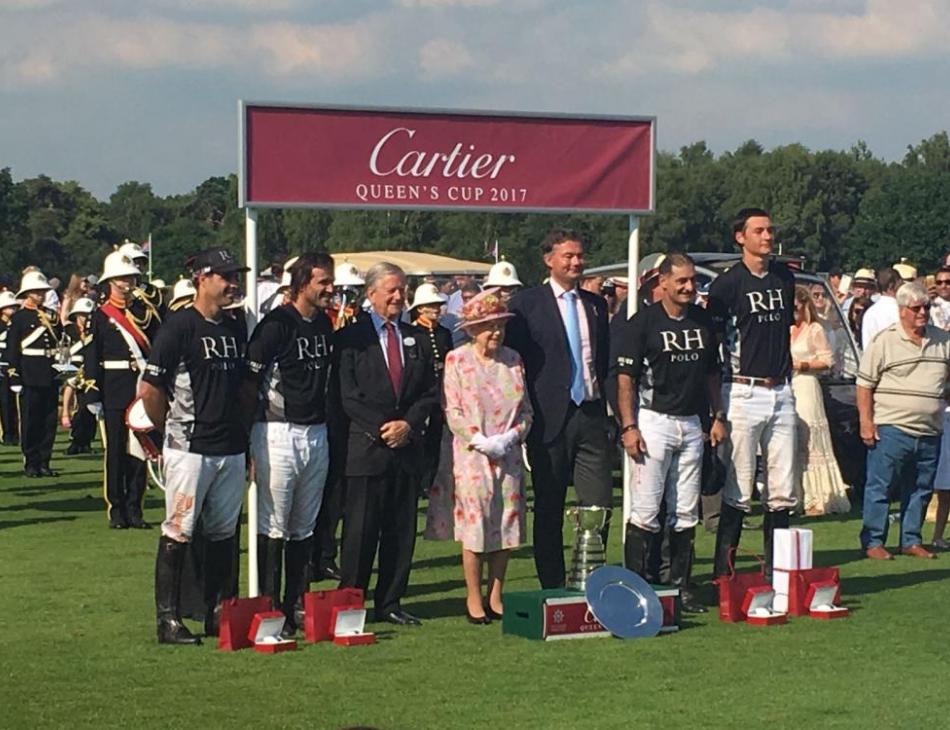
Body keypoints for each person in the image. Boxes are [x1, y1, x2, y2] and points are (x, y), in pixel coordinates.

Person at [141, 248, 250, 645]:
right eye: (225, 276)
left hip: (230, 445)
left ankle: (218, 611)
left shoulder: (236, 326)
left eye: (235, 276)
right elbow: (150, 388)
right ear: (201, 278)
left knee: (223, 533)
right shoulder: (179, 326)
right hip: (189, 446)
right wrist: (166, 428)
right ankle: (167, 619)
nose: (233, 283)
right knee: (179, 530)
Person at [612, 253, 726, 613]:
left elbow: (712, 374)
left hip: (692, 422)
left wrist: (717, 416)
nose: (690, 287)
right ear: (662, 283)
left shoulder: (703, 320)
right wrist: (628, 426)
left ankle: (681, 586)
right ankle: (638, 587)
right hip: (653, 421)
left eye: (692, 281)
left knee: (686, 510)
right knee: (645, 509)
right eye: (682, 281)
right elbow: (625, 380)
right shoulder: (641, 323)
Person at [505, 228, 613, 589]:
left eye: (580, 256)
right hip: (549, 417)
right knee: (549, 507)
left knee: (598, 505)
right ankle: (551, 584)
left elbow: (605, 360)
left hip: (591, 414)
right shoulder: (526, 305)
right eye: (568, 256)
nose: (576, 262)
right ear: (549, 260)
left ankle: (591, 578)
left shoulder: (595, 305)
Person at [335, 262, 438, 626]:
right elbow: (348, 395)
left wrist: (407, 425)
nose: (399, 296)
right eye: (392, 289)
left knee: (400, 531)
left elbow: (429, 391)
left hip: (406, 451)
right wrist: (384, 428)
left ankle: (391, 602)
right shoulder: (350, 337)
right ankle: (351, 604)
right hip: (367, 449)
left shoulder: (419, 338)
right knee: (360, 533)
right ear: (371, 293)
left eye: (403, 289)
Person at [243, 253, 335, 636]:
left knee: (304, 525)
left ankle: (298, 601)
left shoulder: (325, 326)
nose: (330, 289)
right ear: (300, 284)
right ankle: (270, 605)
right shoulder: (276, 325)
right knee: (274, 522)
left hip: (316, 431)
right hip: (277, 431)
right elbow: (249, 382)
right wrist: (247, 440)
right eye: (322, 282)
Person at [430, 289, 533, 623]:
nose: (496, 332)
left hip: (508, 453)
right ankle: (473, 597)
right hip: (472, 455)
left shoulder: (514, 359)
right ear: (472, 329)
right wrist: (478, 440)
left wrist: (510, 437)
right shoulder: (457, 360)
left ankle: (496, 594)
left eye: (500, 325)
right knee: (476, 525)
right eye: (488, 326)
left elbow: (526, 410)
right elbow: (452, 409)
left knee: (506, 523)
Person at [707, 208, 798, 580]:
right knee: (740, 486)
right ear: (740, 237)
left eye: (770, 230)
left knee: (783, 487)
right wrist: (715, 408)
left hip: (781, 389)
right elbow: (712, 341)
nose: (768, 236)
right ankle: (723, 575)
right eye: (759, 230)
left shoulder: (782, 278)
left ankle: (778, 572)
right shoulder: (727, 285)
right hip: (743, 388)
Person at [857, 281, 950, 560]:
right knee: (881, 486)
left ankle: (911, 539)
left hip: (930, 428)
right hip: (891, 426)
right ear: (902, 310)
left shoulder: (943, 341)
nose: (922, 312)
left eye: (926, 307)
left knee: (920, 489)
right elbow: (864, 384)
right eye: (916, 308)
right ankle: (874, 541)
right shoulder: (884, 341)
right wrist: (866, 421)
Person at [84, 251, 160, 529]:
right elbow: (92, 357)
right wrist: (92, 393)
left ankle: (135, 508)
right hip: (113, 388)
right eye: (123, 279)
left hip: (140, 388)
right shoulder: (101, 316)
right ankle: (117, 509)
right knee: (115, 451)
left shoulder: (145, 312)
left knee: (140, 451)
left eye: (130, 278)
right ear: (111, 282)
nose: (128, 283)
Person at [790, 285, 851, 516]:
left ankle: (818, 496)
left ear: (803, 306)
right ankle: (796, 495)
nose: (792, 313)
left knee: (811, 440)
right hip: (788, 387)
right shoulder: (787, 329)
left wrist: (801, 365)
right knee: (792, 441)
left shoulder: (814, 328)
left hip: (806, 385)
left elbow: (827, 361)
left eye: (795, 308)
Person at [6, 270, 61, 477]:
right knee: (31, 420)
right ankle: (31, 462)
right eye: (36, 292)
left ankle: (45, 461)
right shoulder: (19, 318)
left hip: (50, 372)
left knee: (49, 421)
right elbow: (13, 349)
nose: (40, 295)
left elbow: (60, 342)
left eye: (42, 291)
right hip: (29, 373)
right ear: (27, 294)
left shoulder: (52, 316)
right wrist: (14, 375)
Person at [408, 283, 452, 494]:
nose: (436, 309)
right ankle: (418, 480)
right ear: (420, 309)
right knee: (419, 438)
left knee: (436, 437)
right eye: (431, 306)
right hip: (420, 393)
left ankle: (430, 480)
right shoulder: (413, 333)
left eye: (437, 305)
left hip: (440, 390)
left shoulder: (443, 333)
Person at [61, 297, 96, 455]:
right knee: (76, 404)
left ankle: (86, 441)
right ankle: (75, 439)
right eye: (82, 314)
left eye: (88, 315)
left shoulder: (94, 331)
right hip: (73, 368)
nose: (85, 318)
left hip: (90, 370)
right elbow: (64, 351)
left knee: (89, 407)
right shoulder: (70, 331)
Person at [861, 268, 901, 350]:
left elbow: (867, 346)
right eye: (900, 284)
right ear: (891, 286)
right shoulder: (899, 311)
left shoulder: (870, 313)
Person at [0, 290, 20, 445]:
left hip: (12, 367)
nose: (12, 310)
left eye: (14, 307)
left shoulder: (16, 324)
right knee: (4, 402)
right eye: (9, 307)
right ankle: (7, 434)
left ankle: (15, 432)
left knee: (14, 402)